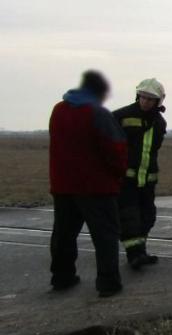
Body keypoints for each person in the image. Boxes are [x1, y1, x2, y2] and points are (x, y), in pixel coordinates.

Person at [48, 70, 127, 297]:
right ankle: (108, 282)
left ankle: (61, 277)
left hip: (63, 185)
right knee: (104, 236)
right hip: (96, 187)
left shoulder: (58, 110)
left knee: (63, 235)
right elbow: (115, 149)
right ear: (99, 92)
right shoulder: (97, 113)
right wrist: (118, 174)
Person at [113, 78, 167, 269]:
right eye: (143, 97)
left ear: (158, 101)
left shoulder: (160, 123)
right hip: (126, 179)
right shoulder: (122, 115)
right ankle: (133, 255)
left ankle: (140, 251)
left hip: (148, 180)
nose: (145, 102)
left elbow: (154, 148)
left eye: (150, 99)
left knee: (148, 216)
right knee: (129, 217)